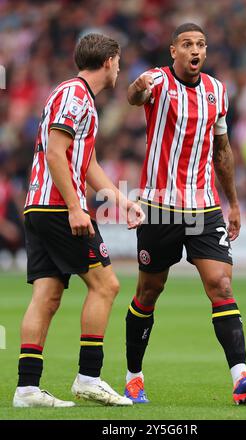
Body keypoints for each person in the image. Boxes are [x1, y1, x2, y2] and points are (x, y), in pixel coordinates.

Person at [124, 23, 246, 405]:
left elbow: (222, 150)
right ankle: (134, 376)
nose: (196, 50)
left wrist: (234, 203)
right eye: (188, 44)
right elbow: (133, 96)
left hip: (204, 207)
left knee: (221, 285)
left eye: (202, 44)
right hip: (159, 206)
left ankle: (241, 378)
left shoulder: (217, 91)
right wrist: (137, 86)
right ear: (173, 50)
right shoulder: (156, 81)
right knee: (149, 291)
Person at [13, 33, 144, 408]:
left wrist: (120, 201)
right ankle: (89, 377)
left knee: (47, 294)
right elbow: (56, 155)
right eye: (118, 61)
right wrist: (75, 207)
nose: (120, 68)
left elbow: (84, 163)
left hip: (39, 206)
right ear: (109, 60)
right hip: (57, 207)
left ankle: (27, 389)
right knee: (106, 285)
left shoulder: (76, 96)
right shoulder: (74, 96)